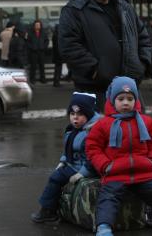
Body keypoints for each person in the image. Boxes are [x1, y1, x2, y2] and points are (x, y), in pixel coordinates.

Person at [85, 76, 152, 235]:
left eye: (130, 99)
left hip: (143, 172)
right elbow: (92, 147)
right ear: (112, 100)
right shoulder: (103, 124)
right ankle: (104, 227)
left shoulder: (146, 121)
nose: (125, 103)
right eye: (121, 98)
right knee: (108, 198)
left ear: (136, 100)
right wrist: (105, 165)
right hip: (115, 172)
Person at [58, 0, 152, 110]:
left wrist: (142, 65)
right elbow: (69, 47)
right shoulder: (74, 11)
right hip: (95, 93)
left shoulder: (125, 7)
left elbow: (143, 37)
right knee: (99, 133)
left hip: (129, 90)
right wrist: (96, 71)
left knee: (135, 132)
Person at [31, 92, 101, 223]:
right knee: (57, 175)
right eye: (72, 114)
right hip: (73, 165)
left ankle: (48, 211)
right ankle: (53, 208)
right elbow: (67, 149)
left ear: (89, 115)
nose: (75, 118)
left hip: (84, 168)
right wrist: (63, 161)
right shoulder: (73, 129)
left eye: (80, 115)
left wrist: (82, 174)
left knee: (55, 178)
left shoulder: (92, 132)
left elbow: (93, 158)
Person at [27, 20, 49, 84]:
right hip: (33, 52)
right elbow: (28, 42)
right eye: (36, 25)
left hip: (41, 52)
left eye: (38, 25)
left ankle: (43, 79)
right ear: (34, 26)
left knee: (42, 66)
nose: (37, 26)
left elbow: (46, 41)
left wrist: (44, 47)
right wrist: (32, 47)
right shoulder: (30, 33)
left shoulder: (43, 32)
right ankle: (32, 79)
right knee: (33, 67)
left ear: (40, 25)